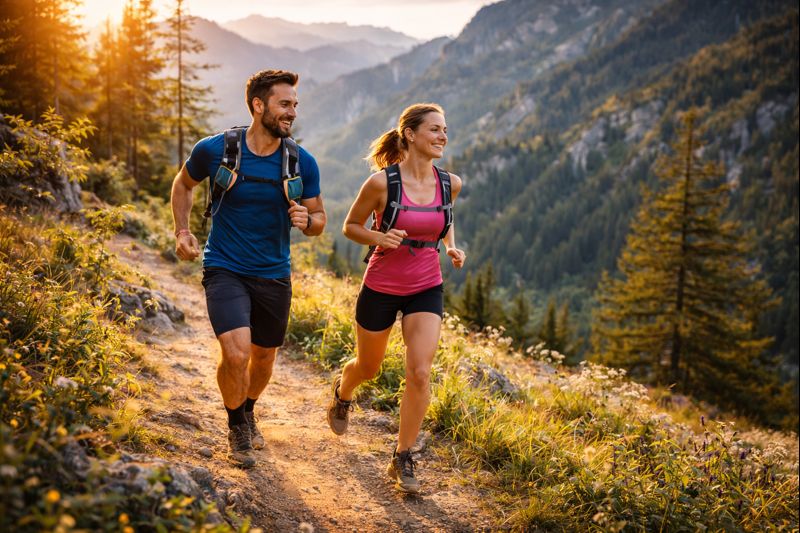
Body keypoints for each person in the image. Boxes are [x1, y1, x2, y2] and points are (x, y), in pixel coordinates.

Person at [170, 69, 326, 468]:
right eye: (284, 104)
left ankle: (249, 408)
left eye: (295, 105)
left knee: (263, 357)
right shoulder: (217, 150)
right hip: (224, 266)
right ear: (259, 106)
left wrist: (308, 223)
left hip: (274, 272)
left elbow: (320, 218)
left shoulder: (300, 162)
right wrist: (183, 230)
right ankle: (237, 424)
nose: (292, 112)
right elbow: (183, 184)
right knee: (236, 353)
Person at [327, 103, 465, 493]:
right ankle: (342, 392)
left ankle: (402, 456)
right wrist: (378, 237)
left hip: (426, 285)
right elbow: (350, 226)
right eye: (435, 130)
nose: (442, 136)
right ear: (410, 134)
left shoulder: (449, 183)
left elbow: (445, 220)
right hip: (382, 286)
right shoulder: (381, 184)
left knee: (420, 372)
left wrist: (451, 247)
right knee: (367, 367)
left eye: (445, 130)